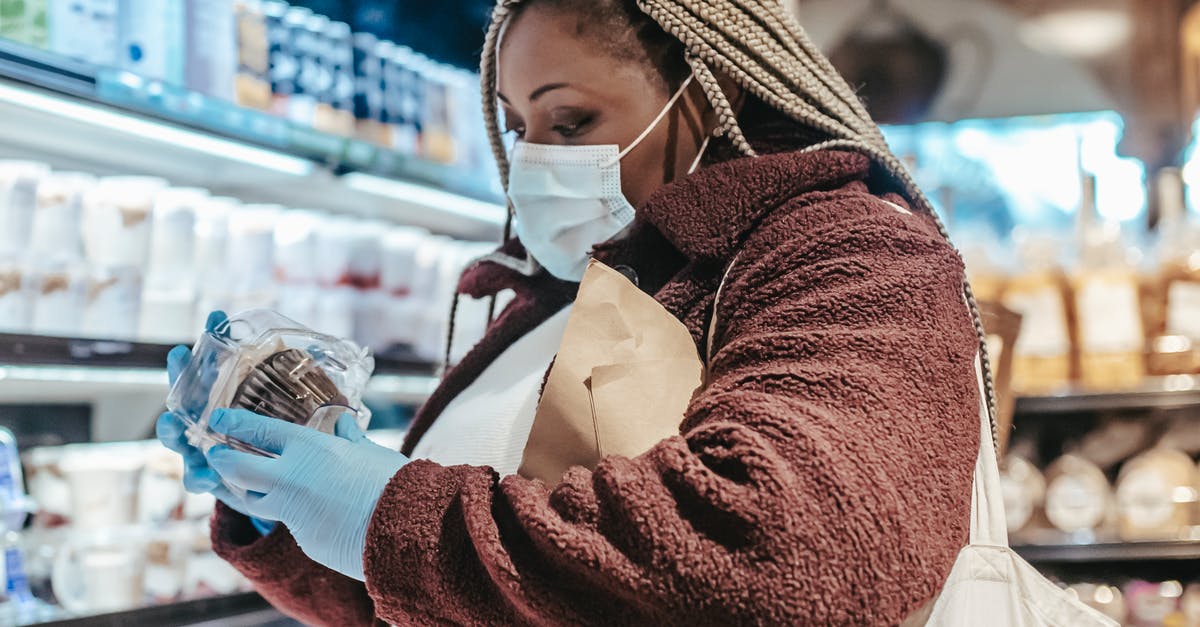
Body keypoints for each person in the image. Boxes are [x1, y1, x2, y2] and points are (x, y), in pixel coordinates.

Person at [156, 0, 995, 624]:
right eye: (519, 126)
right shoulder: (544, 304)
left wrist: (388, 512)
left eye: (570, 119)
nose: (532, 160)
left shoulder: (846, 253)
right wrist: (292, 510)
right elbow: (467, 592)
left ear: (703, 94)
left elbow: (797, 554)